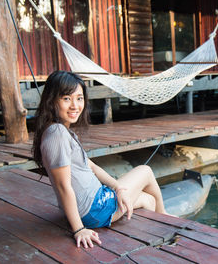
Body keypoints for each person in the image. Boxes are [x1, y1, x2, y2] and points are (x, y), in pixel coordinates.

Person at [32, 70, 168, 248]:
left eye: (79, 98)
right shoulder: (57, 134)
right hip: (94, 209)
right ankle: (166, 218)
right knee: (145, 171)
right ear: (51, 100)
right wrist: (79, 229)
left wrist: (117, 188)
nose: (75, 105)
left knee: (147, 200)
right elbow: (63, 186)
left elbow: (92, 166)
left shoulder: (62, 131)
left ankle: (157, 241)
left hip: (94, 204)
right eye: (66, 98)